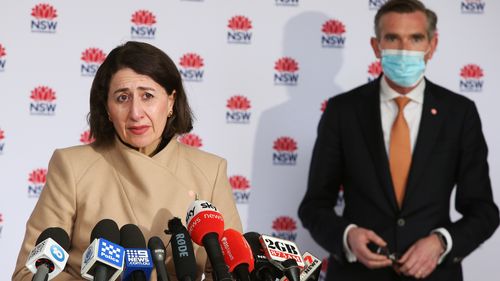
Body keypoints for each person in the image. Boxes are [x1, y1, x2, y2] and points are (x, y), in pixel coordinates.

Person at [298, 0, 499, 280]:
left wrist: (441, 242)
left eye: (415, 38)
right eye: (393, 38)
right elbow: (314, 205)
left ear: (432, 44)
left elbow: (483, 210)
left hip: (435, 274)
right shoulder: (342, 111)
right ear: (376, 45)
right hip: (357, 274)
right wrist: (347, 237)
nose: (404, 50)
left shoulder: (459, 113)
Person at [12, 41, 242, 280]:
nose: (135, 112)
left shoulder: (210, 171)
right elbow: (27, 274)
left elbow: (234, 272)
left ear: (171, 101)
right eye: (122, 98)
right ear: (107, 108)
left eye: (147, 96)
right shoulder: (71, 166)